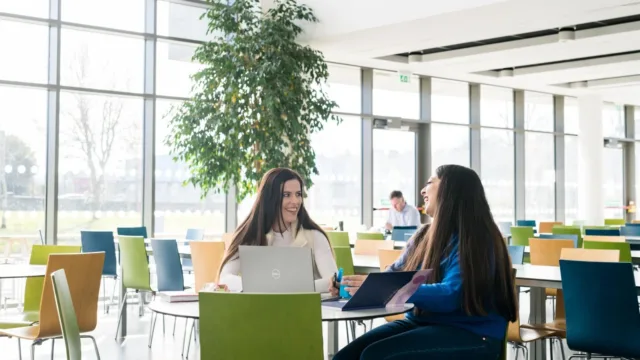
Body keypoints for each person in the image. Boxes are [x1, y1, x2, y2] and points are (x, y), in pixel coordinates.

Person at [331, 165, 517, 360]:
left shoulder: (477, 239)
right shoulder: (423, 235)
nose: (422, 190)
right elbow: (393, 275)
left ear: (451, 190)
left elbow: (450, 294)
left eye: (430, 182)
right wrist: (350, 286)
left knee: (375, 356)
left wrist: (392, 289)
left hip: (473, 334)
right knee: (346, 356)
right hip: (422, 322)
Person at [219, 167, 337, 292]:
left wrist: (284, 287)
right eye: (286, 195)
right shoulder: (250, 236)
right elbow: (225, 278)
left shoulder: (314, 236)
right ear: (270, 199)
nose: (295, 201)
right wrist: (262, 286)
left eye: (298, 194)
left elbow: (333, 281)